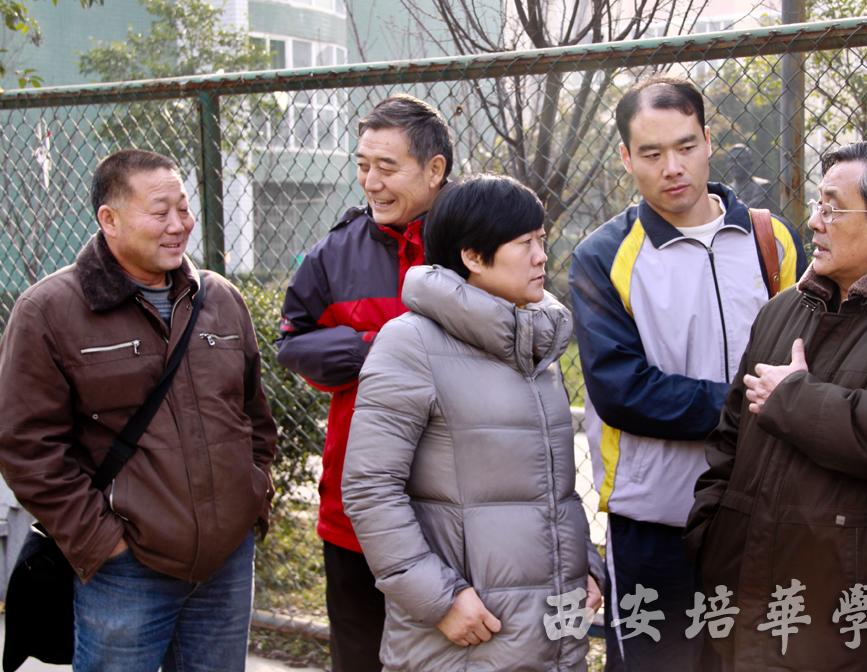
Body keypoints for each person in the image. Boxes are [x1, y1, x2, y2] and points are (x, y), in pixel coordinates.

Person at [686, 141, 867, 671]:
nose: (815, 222)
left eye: (833, 208)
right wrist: (711, 532)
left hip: (853, 629)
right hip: (742, 606)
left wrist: (794, 398)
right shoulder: (782, 312)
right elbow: (729, 440)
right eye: (818, 204)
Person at [0, 148, 277, 672]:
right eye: (160, 211)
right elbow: (26, 449)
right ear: (110, 219)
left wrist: (252, 496)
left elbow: (254, 418)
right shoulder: (49, 311)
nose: (178, 225)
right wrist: (101, 542)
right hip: (126, 569)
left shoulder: (220, 299)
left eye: (184, 208)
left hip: (225, 563)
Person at [568, 75, 806, 671]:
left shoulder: (772, 239)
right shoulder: (603, 257)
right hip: (655, 521)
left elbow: (811, 357)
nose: (672, 167)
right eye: (651, 153)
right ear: (626, 158)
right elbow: (623, 391)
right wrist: (756, 404)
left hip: (760, 513)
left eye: (685, 146)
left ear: (708, 141)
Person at [342, 174, 604, 671]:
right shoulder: (411, 343)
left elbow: (551, 491)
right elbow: (370, 487)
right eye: (525, 244)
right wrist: (439, 599)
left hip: (550, 631)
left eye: (542, 240)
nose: (541, 257)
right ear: (473, 257)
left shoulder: (535, 343)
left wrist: (583, 566)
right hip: (466, 635)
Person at [276, 93, 451, 671]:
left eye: (387, 167)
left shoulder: (474, 240)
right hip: (357, 511)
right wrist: (376, 348)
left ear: (434, 169)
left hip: (459, 508)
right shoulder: (334, 252)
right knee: (360, 655)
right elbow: (292, 342)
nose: (371, 183)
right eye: (362, 165)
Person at [727, 143, 773, 210]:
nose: (735, 164)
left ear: (750, 162)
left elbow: (749, 212)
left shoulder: (763, 186)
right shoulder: (726, 190)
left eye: (740, 159)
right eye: (731, 160)